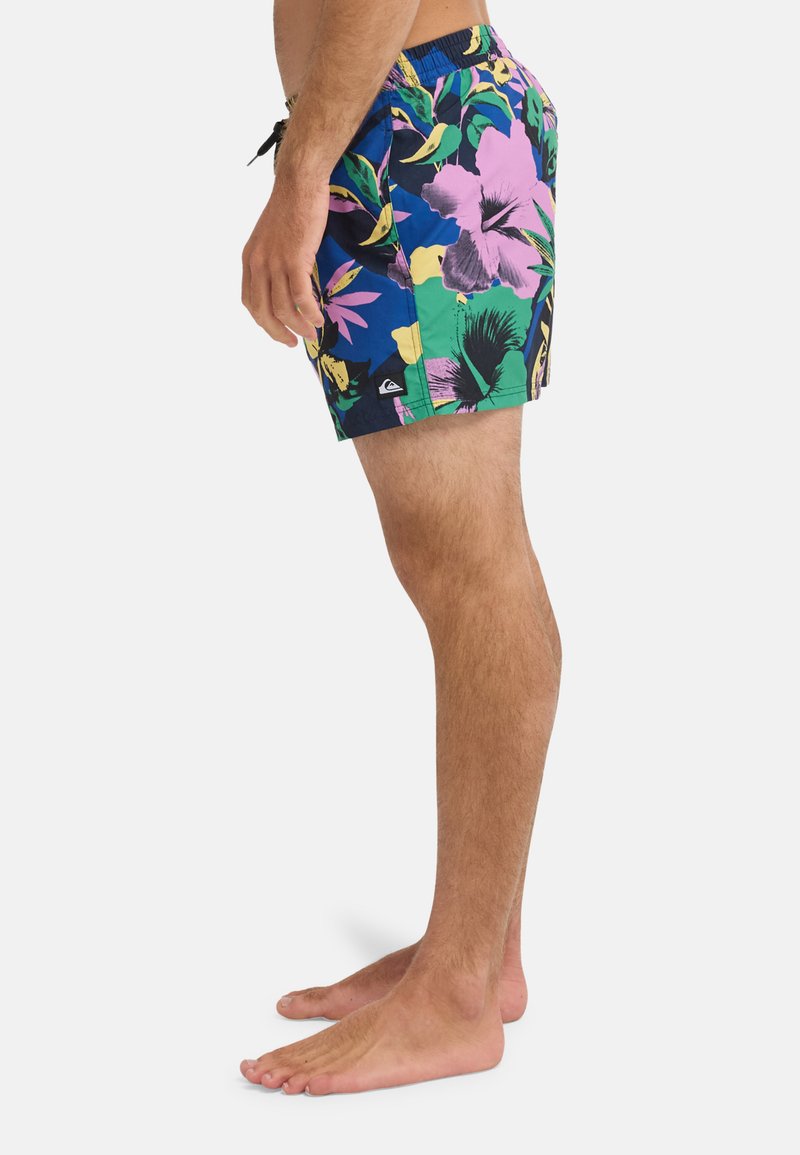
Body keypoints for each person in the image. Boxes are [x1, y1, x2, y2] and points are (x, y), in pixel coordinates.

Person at [240, 0, 560, 1095]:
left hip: (415, 136)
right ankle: (478, 956)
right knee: (453, 561)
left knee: (468, 564)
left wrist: (303, 173)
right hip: (404, 126)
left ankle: (459, 995)